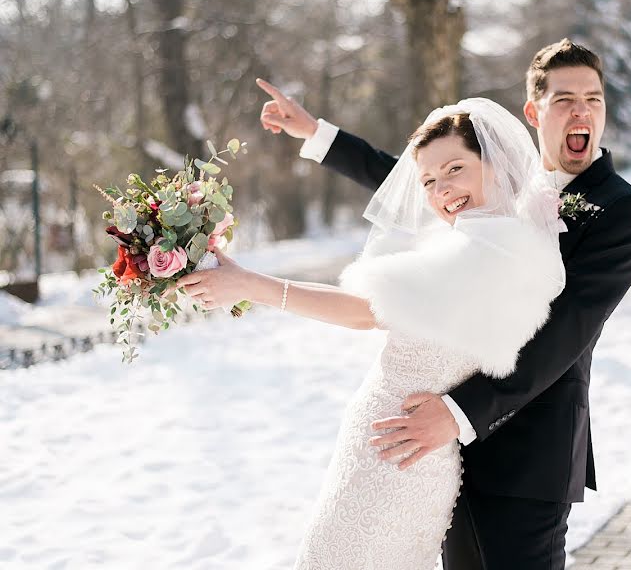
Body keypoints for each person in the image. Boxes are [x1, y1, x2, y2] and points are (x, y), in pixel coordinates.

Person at [257, 38, 631, 569]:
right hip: (439, 453)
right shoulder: (502, 179)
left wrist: (459, 413)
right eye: (565, 99)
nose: (581, 110)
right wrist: (318, 135)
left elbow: (565, 333)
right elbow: (425, 178)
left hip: (524, 451)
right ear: (534, 112)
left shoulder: (624, 211)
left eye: (593, 98)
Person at [177, 98, 567, 569]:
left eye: (455, 169)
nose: (442, 190)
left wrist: (250, 285)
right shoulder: (505, 241)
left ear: (493, 164)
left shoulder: (482, 249)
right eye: (428, 181)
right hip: (411, 448)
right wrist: (247, 280)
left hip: (391, 450)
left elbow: (364, 311)